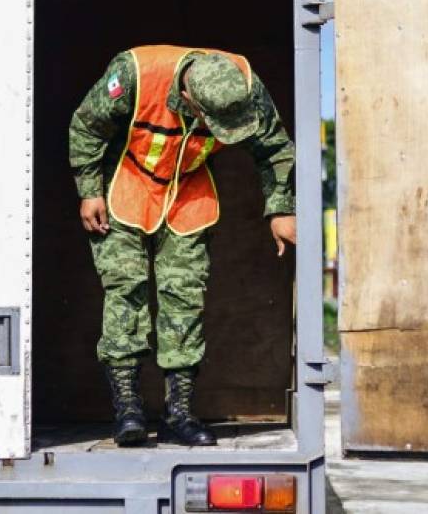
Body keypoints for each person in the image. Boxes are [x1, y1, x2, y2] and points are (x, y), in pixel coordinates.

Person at [69, 45, 296, 447]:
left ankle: (179, 413)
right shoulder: (136, 72)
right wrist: (89, 192)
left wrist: (279, 209)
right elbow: (86, 127)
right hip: (126, 186)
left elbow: (275, 149)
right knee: (125, 292)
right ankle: (128, 410)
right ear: (188, 96)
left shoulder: (244, 84)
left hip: (189, 194)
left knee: (185, 297)